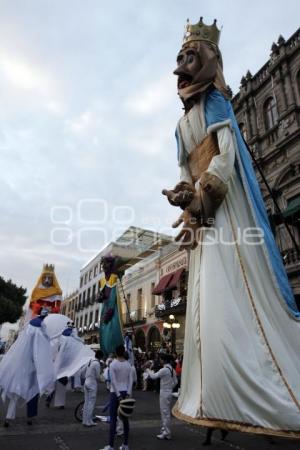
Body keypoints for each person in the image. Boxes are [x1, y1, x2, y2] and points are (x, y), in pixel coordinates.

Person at [163, 17, 300, 437]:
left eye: (190, 57)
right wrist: (184, 196)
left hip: (223, 203)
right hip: (203, 213)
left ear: (206, 60)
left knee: (240, 281)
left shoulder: (216, 103)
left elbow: (225, 156)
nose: (180, 67)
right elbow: (189, 168)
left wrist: (202, 194)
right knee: (211, 297)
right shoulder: (180, 126)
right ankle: (217, 394)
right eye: (179, 58)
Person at [0, 307, 55, 427]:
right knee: (33, 390)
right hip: (34, 365)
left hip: (21, 363)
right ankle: (30, 417)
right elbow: (43, 348)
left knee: (15, 390)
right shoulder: (43, 327)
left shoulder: (29, 325)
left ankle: (9, 418)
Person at [100, 344, 133, 450]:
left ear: (115, 352)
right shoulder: (128, 364)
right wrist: (128, 393)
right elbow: (131, 381)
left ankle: (110, 445)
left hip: (115, 393)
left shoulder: (113, 364)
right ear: (124, 352)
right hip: (125, 392)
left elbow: (113, 381)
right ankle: (125, 445)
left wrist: (118, 395)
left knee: (113, 419)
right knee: (125, 419)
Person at [147, 354, 178, 440]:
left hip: (164, 392)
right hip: (168, 392)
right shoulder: (172, 369)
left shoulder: (164, 370)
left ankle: (167, 433)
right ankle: (165, 430)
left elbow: (153, 376)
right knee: (166, 412)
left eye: (160, 359)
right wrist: (169, 387)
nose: (160, 361)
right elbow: (175, 382)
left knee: (165, 413)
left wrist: (148, 370)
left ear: (163, 360)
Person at [98, 256, 124, 357]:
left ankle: (113, 352)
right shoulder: (101, 281)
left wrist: (110, 310)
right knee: (104, 333)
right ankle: (106, 353)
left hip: (112, 309)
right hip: (105, 307)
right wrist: (100, 297)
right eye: (103, 263)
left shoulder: (114, 277)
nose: (104, 265)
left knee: (112, 331)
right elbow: (102, 295)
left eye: (106, 263)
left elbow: (113, 295)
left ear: (110, 264)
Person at [82, 349, 104, 427]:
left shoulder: (90, 361)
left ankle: (85, 420)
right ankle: (89, 421)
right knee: (91, 403)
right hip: (92, 383)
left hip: (86, 382)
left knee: (86, 402)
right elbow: (98, 376)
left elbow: (83, 370)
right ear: (100, 357)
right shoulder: (97, 363)